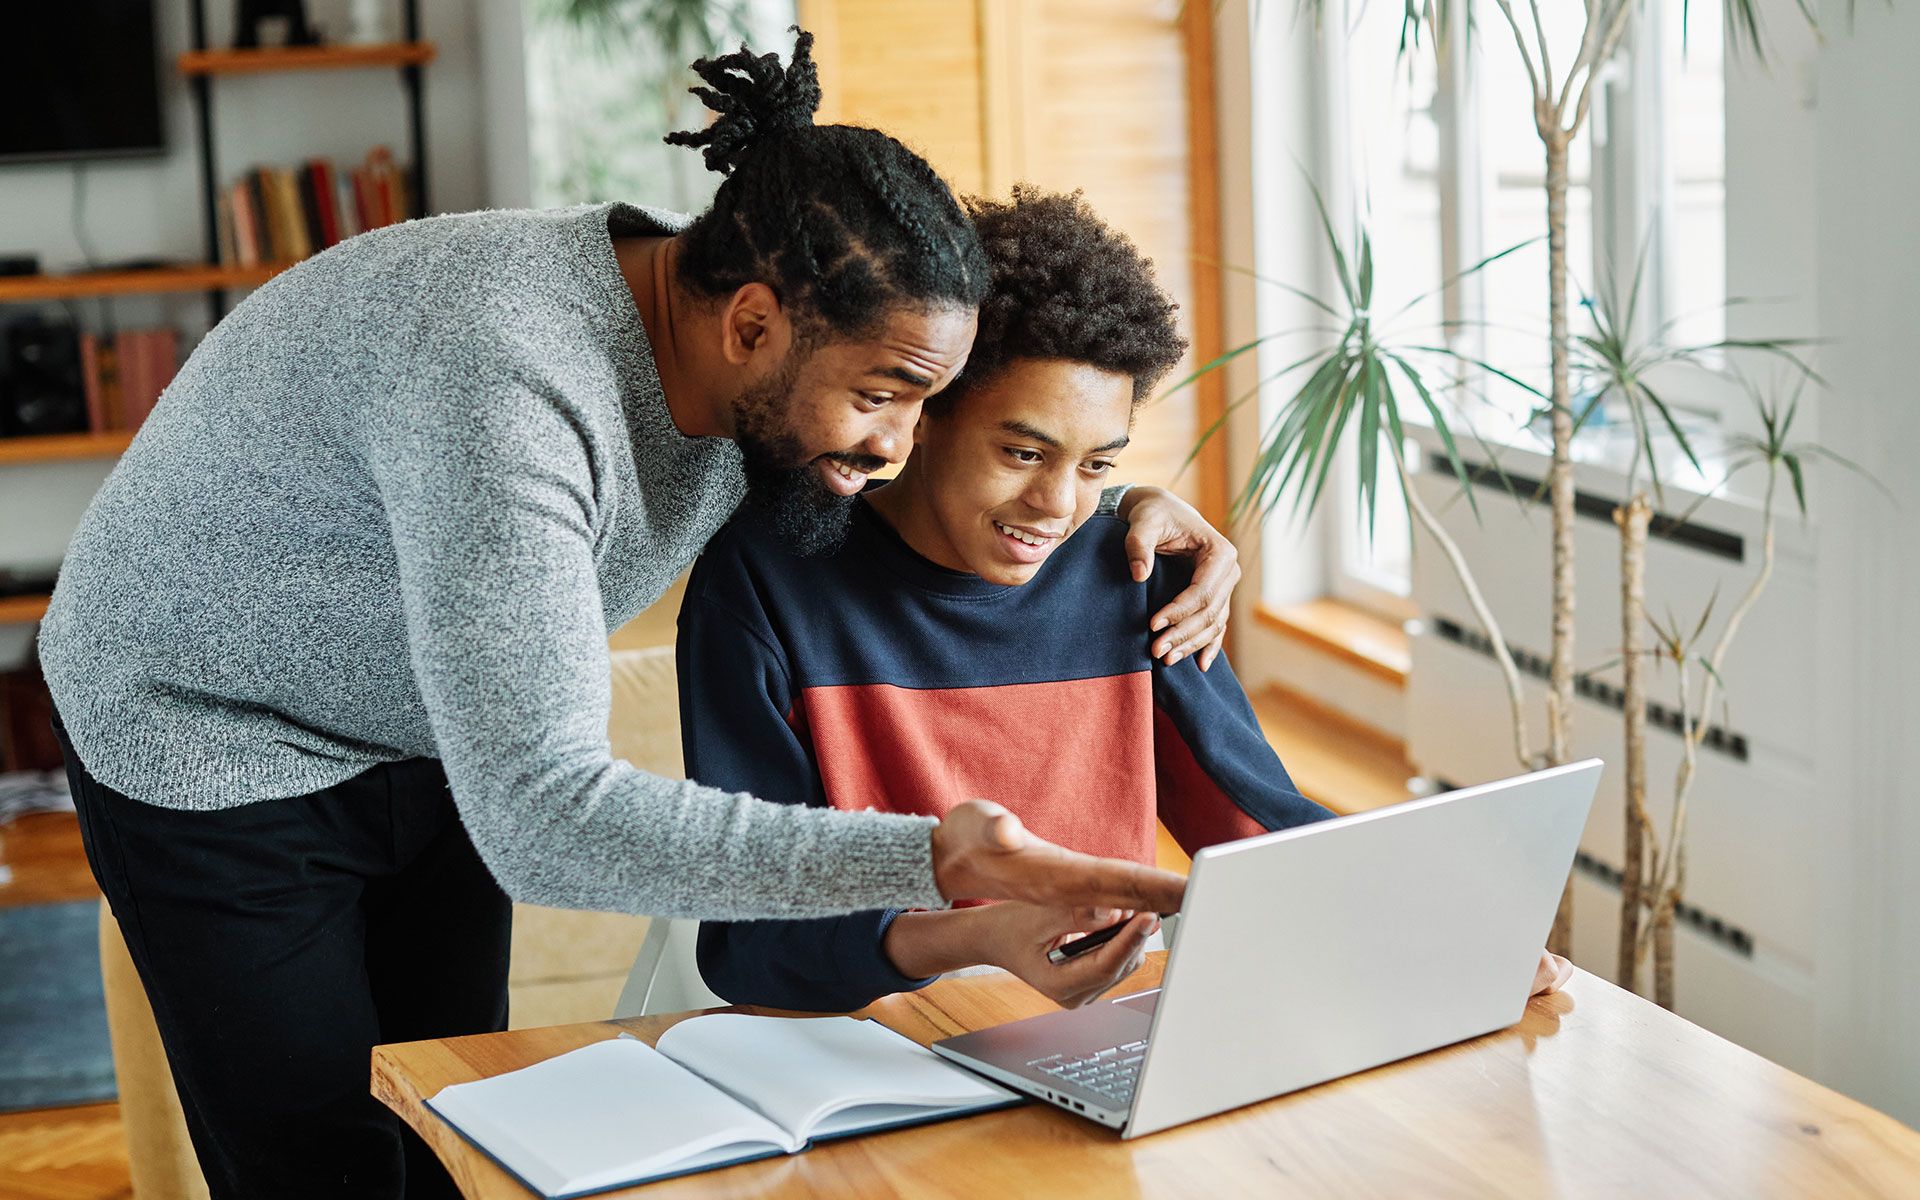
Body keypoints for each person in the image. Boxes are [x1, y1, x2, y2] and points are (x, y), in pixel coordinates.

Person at [35, 33, 1230, 1200]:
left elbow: (944, 468)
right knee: (324, 1161)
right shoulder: (511, 380)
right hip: (209, 723)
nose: (893, 444)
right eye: (883, 398)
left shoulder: (774, 352)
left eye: (918, 405)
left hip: (429, 723)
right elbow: (544, 820)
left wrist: (1117, 508)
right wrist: (933, 859)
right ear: (751, 324)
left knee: (449, 1116)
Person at [682, 188, 1576, 1013]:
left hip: (1090, 1041)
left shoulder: (1135, 568)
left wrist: (1442, 928)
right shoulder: (765, 584)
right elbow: (754, 947)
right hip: (864, 1046)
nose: (1059, 506)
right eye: (1024, 454)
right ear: (928, 408)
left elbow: (1257, 826)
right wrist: (979, 937)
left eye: (1098, 466)